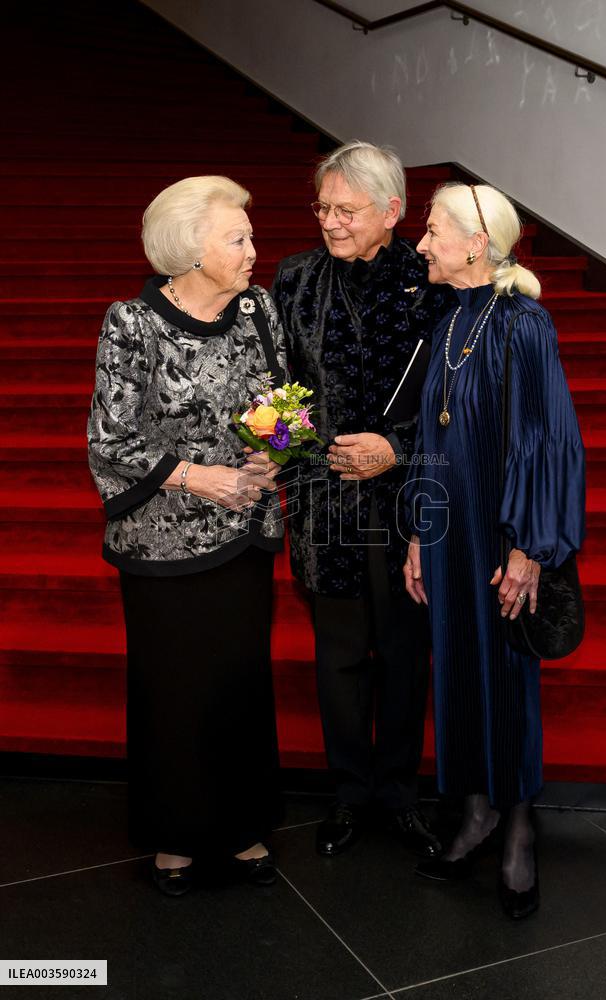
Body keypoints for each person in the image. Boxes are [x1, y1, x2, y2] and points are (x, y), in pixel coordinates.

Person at [88, 175, 286, 895]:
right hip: (162, 542)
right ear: (190, 247)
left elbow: (283, 402)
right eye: (237, 239)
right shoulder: (131, 324)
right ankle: (175, 838)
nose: (253, 252)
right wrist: (198, 476)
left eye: (250, 237)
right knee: (175, 689)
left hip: (245, 533)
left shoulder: (259, 309)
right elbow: (110, 441)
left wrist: (278, 448)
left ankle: (241, 830)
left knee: (238, 683)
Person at [403, 181, 585, 918]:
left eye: (434, 231)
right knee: (459, 672)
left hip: (505, 540)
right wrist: (419, 530)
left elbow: (550, 443)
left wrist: (532, 548)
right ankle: (474, 811)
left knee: (506, 679)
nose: (422, 244)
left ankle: (517, 831)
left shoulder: (524, 323)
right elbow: (431, 440)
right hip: (450, 536)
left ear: (476, 243)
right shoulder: (448, 325)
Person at [272, 141, 446, 859]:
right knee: (339, 654)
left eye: (347, 210)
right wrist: (306, 455)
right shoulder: (294, 280)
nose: (331, 222)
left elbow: (454, 401)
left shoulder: (431, 280)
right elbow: (269, 393)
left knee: (405, 653)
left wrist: (395, 450)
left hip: (411, 504)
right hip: (325, 506)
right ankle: (349, 793)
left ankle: (400, 794)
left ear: (392, 211)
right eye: (323, 207)